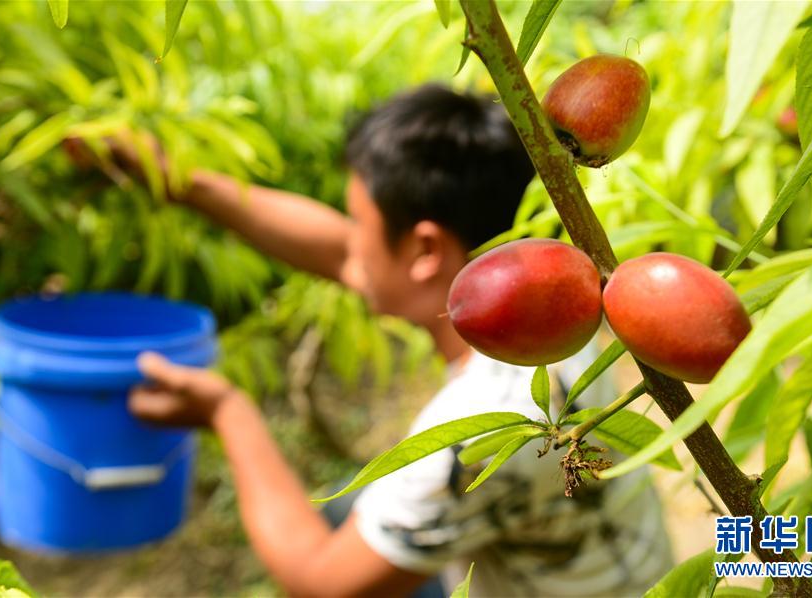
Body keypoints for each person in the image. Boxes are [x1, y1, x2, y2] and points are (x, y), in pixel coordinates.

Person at [70, 84, 673, 596]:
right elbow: (336, 249)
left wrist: (227, 411)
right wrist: (174, 180)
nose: (349, 245)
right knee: (351, 511)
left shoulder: (485, 426)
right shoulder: (558, 301)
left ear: (426, 252)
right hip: (611, 556)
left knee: (342, 528)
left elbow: (321, 582)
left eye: (359, 223)